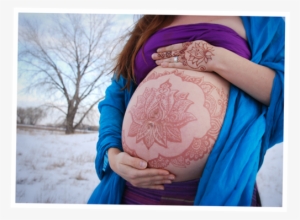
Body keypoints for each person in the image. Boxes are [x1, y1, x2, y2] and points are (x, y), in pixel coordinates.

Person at [87, 15, 284, 206]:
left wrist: (217, 59)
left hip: (217, 187)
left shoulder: (263, 21)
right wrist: (112, 155)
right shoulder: (151, 21)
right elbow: (116, 96)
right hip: (132, 188)